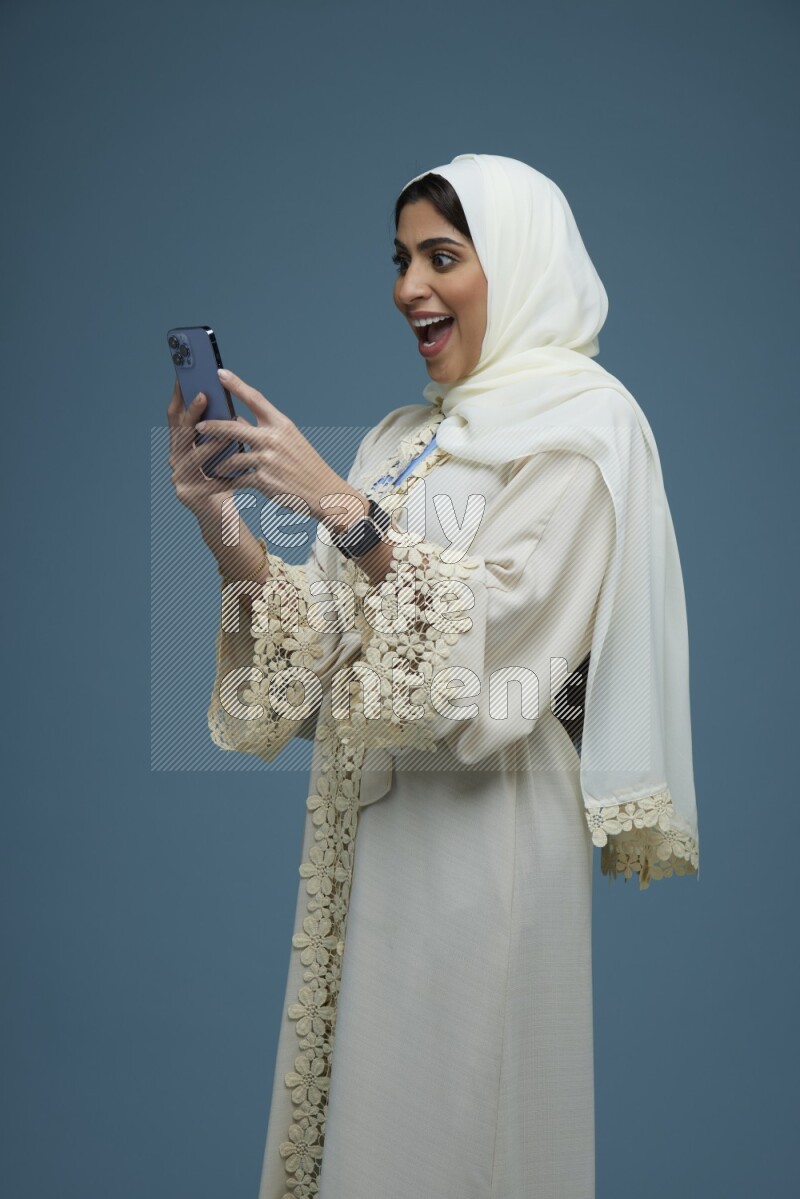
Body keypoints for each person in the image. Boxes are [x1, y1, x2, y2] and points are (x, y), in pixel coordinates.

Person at [166, 153, 700, 1199]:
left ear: (520, 266)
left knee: (461, 1136)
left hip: (485, 843)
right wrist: (222, 526)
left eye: (441, 255)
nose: (409, 284)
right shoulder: (402, 439)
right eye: (402, 257)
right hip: (374, 841)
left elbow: (500, 653)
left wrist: (337, 505)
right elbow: (316, 661)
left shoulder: (586, 430)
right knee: (368, 1136)